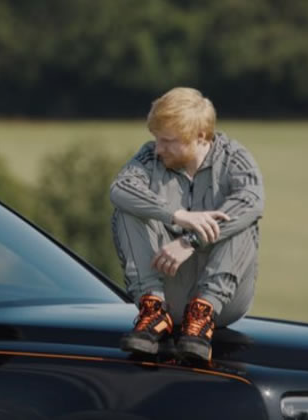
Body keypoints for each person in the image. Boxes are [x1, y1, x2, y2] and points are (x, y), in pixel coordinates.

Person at [110, 87, 264, 362]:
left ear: (200, 136)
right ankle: (153, 310)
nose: (158, 148)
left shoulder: (235, 158)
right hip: (166, 284)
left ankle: (203, 314)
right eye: (156, 139)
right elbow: (120, 188)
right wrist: (177, 214)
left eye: (167, 141)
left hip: (223, 301)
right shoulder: (149, 158)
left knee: (242, 219)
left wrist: (189, 240)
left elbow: (252, 201)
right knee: (126, 209)